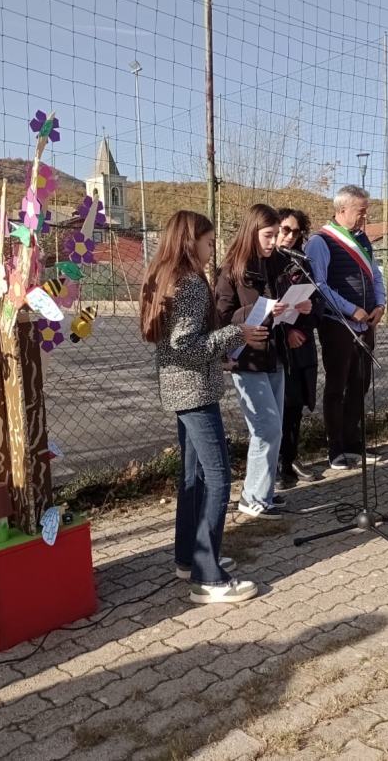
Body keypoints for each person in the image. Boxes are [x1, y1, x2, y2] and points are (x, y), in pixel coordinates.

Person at [140, 210, 266, 604]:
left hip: (180, 391)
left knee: (193, 478)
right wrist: (236, 333)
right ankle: (208, 577)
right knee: (218, 478)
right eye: (209, 243)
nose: (213, 251)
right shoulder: (192, 283)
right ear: (190, 241)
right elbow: (186, 345)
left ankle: (188, 558)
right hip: (195, 393)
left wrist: (223, 344)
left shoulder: (164, 277)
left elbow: (178, 344)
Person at [215, 204, 312, 518]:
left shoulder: (278, 265)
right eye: (268, 235)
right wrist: (256, 311)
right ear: (251, 233)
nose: (274, 242)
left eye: (277, 235)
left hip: (275, 355)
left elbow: (279, 304)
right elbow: (220, 318)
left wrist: (291, 309)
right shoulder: (231, 270)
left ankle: (263, 492)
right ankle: (252, 497)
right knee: (266, 428)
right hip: (246, 359)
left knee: (274, 428)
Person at [305, 185, 386, 470]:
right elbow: (319, 285)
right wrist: (351, 309)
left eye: (366, 211)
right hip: (338, 324)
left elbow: (375, 273)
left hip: (367, 322)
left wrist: (380, 303)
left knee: (360, 384)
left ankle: (354, 444)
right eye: (360, 211)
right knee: (337, 385)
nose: (365, 216)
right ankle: (335, 448)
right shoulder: (321, 241)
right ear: (342, 210)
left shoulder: (363, 238)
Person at [274, 208, 321, 489]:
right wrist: (287, 331)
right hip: (279, 346)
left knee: (296, 406)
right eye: (285, 230)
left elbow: (319, 305)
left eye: (296, 232)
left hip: (303, 344)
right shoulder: (266, 262)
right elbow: (262, 307)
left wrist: (310, 308)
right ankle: (278, 462)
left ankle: (292, 456)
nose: (290, 236)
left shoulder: (302, 263)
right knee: (279, 406)